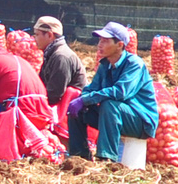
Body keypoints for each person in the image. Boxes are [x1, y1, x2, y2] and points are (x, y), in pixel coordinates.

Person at [67, 22, 159, 163]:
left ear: (120, 45)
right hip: (115, 116)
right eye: (99, 41)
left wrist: (86, 99)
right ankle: (79, 157)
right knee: (78, 108)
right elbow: (92, 89)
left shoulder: (134, 64)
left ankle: (106, 158)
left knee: (110, 104)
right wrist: (81, 99)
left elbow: (120, 92)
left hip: (140, 120)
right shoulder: (105, 65)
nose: (99, 45)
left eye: (105, 41)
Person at [33, 15, 85, 111]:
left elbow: (54, 95)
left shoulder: (61, 57)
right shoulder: (51, 54)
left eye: (37, 34)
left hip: (69, 112)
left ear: (49, 35)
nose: (34, 38)